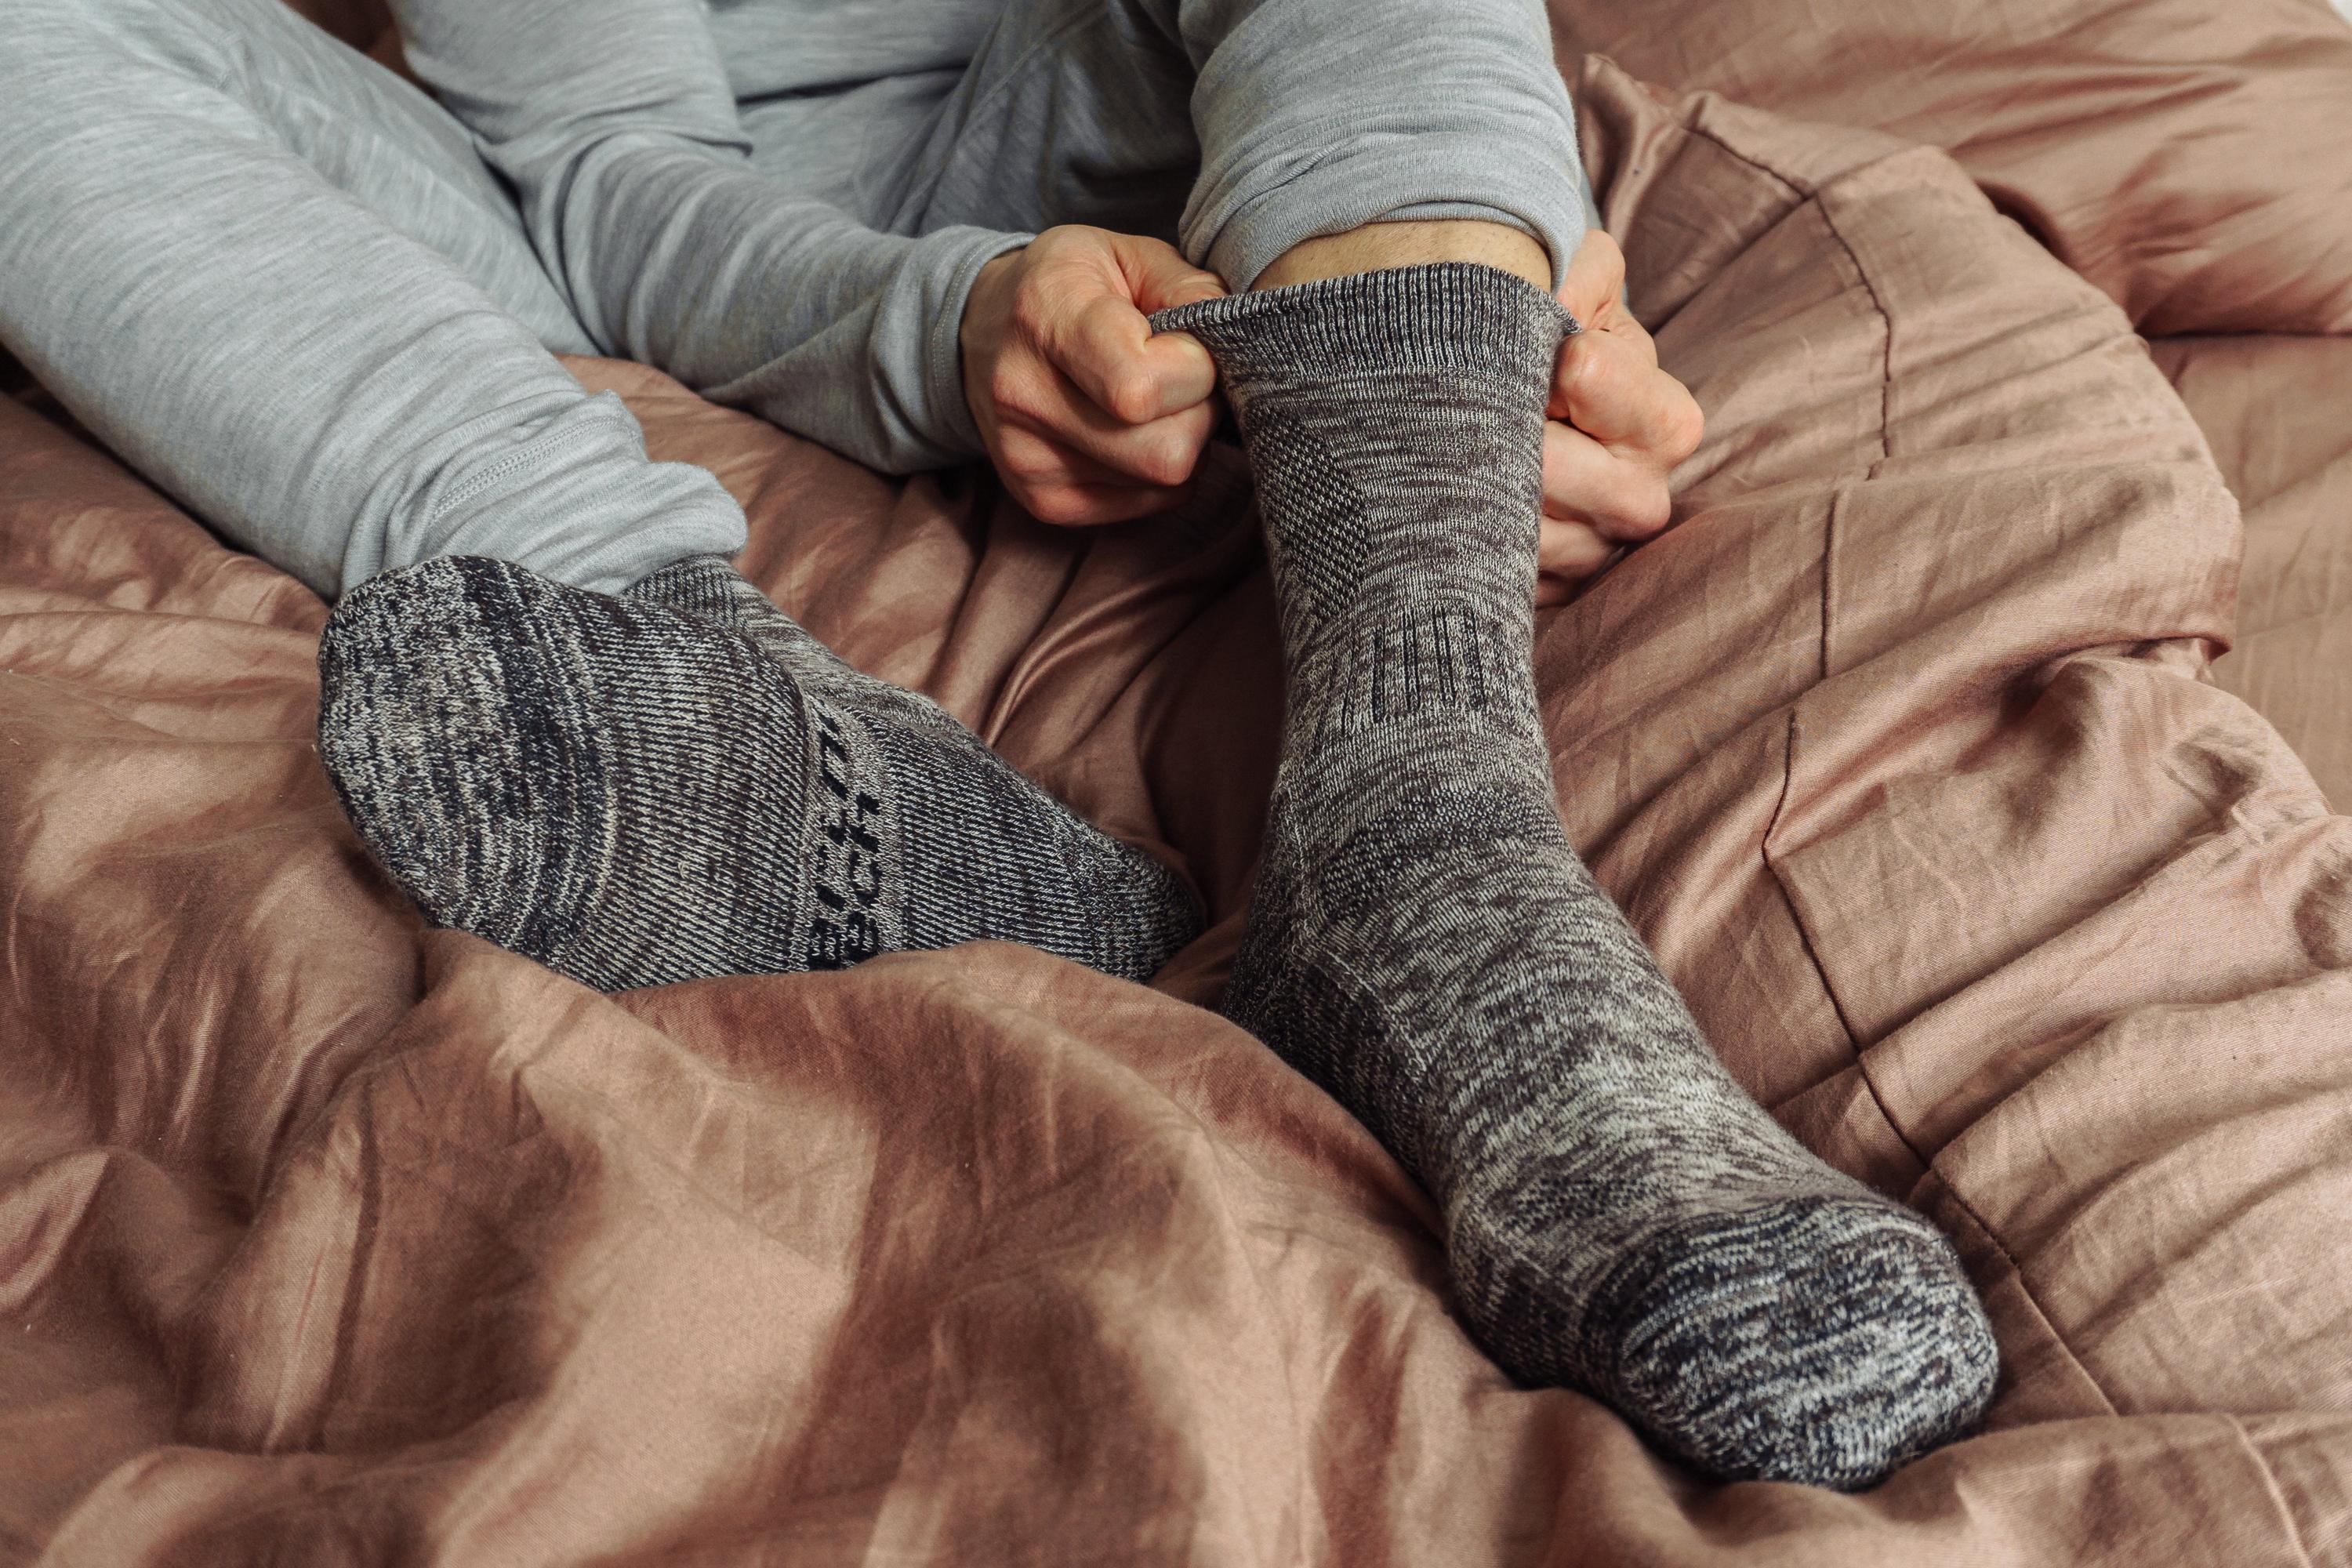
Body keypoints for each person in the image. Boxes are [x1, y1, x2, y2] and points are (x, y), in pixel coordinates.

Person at [0, 0, 1996, 1489]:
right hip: (665, 238)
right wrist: (939, 327)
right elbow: (604, 173)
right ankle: (706, 678)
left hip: (1146, 164)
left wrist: (1509, 300)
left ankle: (1425, 805)